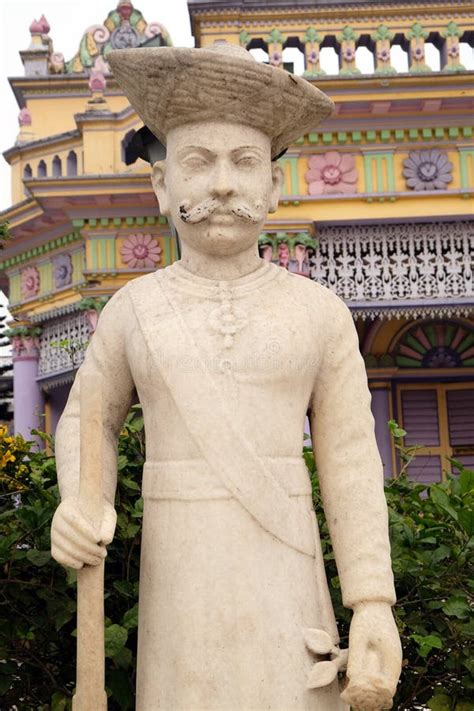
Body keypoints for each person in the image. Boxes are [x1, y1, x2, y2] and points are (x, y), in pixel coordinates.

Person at [51, 43, 401, 710]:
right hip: (178, 581)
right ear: (161, 186)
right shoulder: (132, 310)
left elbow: (352, 461)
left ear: (274, 184)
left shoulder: (320, 315)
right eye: (197, 161)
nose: (220, 183)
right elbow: (89, 419)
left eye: (243, 162)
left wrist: (372, 599)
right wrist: (83, 502)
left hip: (288, 575)